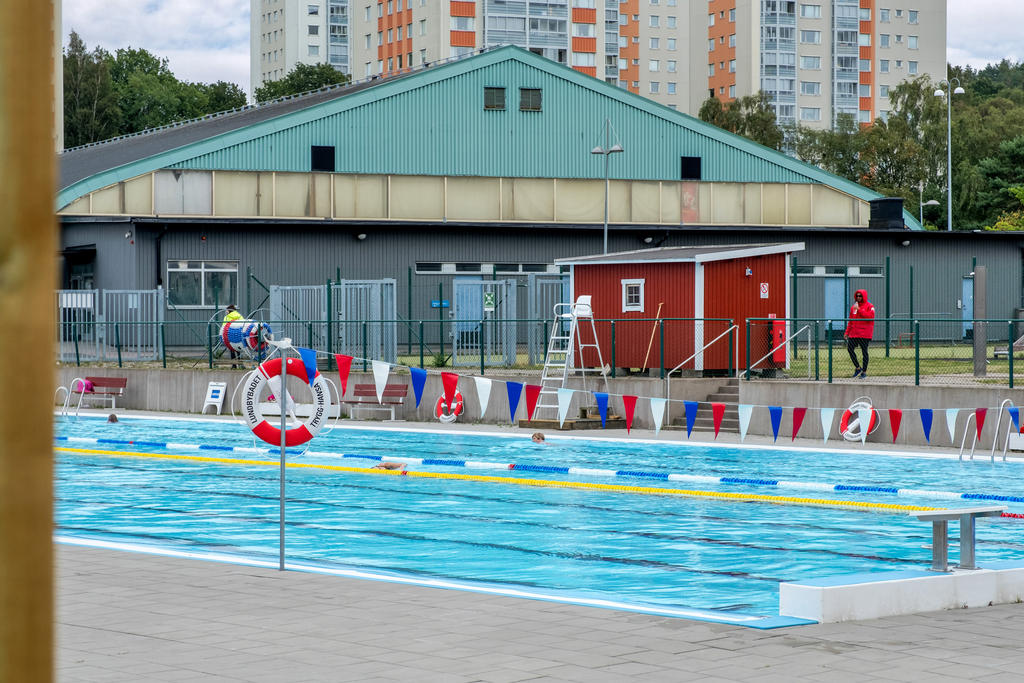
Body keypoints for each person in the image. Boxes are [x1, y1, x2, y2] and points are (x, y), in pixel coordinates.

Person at [845, 289, 875, 379]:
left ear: (864, 296)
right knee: (850, 349)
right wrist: (847, 332)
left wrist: (860, 310)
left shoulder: (870, 306)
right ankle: (858, 368)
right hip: (854, 333)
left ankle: (864, 372)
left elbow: (870, 317)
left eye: (860, 296)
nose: (858, 298)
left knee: (864, 352)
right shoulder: (853, 307)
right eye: (857, 296)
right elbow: (851, 321)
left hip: (864, 334)